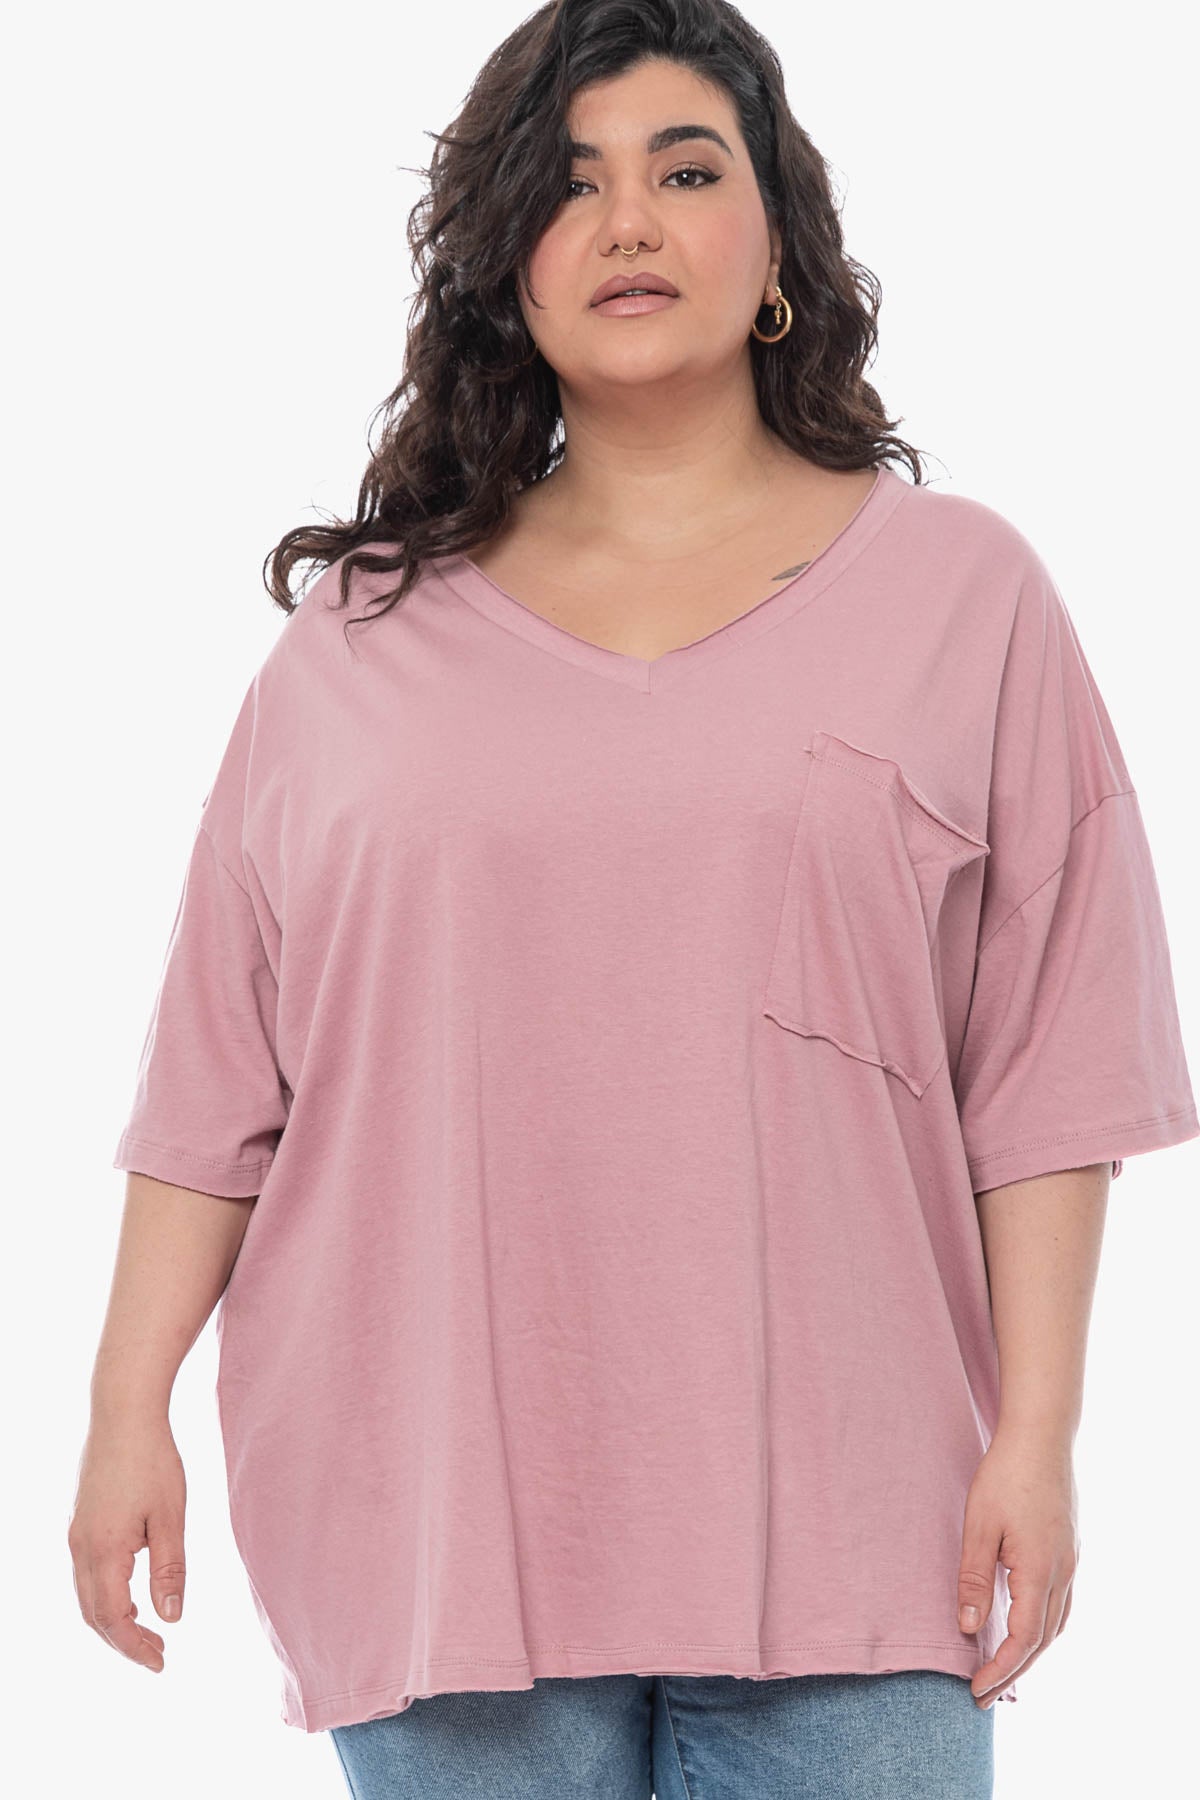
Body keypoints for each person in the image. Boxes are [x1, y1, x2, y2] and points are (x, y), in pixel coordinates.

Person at [69, 2, 1198, 1796]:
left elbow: (1053, 1074)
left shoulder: (967, 598)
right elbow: (217, 1079)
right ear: (504, 262)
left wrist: (1041, 1439)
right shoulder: (357, 640)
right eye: (570, 183)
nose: (628, 223)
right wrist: (124, 1407)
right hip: (433, 1516)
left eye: (685, 171)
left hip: (862, 1522)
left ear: (779, 238)